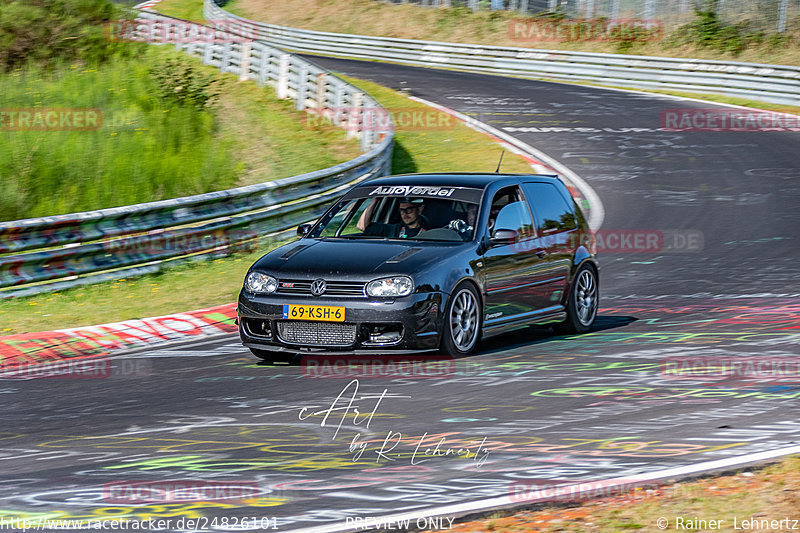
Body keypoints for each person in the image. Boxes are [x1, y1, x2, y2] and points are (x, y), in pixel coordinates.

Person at [357, 197, 428, 238]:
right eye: (401, 210)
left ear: (419, 210)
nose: (404, 214)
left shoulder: (431, 230)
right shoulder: (395, 229)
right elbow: (362, 226)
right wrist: (375, 200)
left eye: (408, 210)